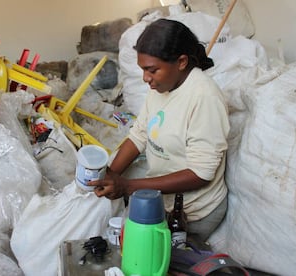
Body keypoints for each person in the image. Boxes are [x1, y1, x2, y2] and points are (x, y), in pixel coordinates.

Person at [88, 18, 230, 242]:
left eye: (152, 70)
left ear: (181, 62)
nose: (146, 78)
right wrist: (111, 175)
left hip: (192, 213)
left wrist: (128, 187)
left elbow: (200, 173)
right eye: (143, 70)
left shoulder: (204, 97)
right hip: (162, 202)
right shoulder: (162, 86)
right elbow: (139, 135)